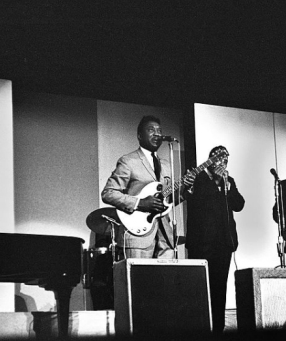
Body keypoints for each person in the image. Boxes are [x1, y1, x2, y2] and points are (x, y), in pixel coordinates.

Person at [101, 115, 194, 259]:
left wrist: (184, 191)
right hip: (138, 236)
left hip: (165, 237)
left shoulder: (166, 165)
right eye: (151, 130)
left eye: (159, 130)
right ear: (139, 136)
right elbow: (109, 192)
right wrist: (140, 203)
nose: (157, 134)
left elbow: (167, 202)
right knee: (139, 280)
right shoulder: (129, 161)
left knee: (165, 280)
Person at [186, 145, 245, 334]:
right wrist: (216, 183)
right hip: (201, 244)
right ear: (210, 160)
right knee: (201, 289)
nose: (222, 162)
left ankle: (218, 328)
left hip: (224, 243)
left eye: (225, 160)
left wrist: (226, 185)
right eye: (218, 159)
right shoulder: (198, 178)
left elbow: (239, 204)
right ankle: (200, 329)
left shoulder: (230, 180)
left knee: (220, 288)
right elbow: (199, 202)